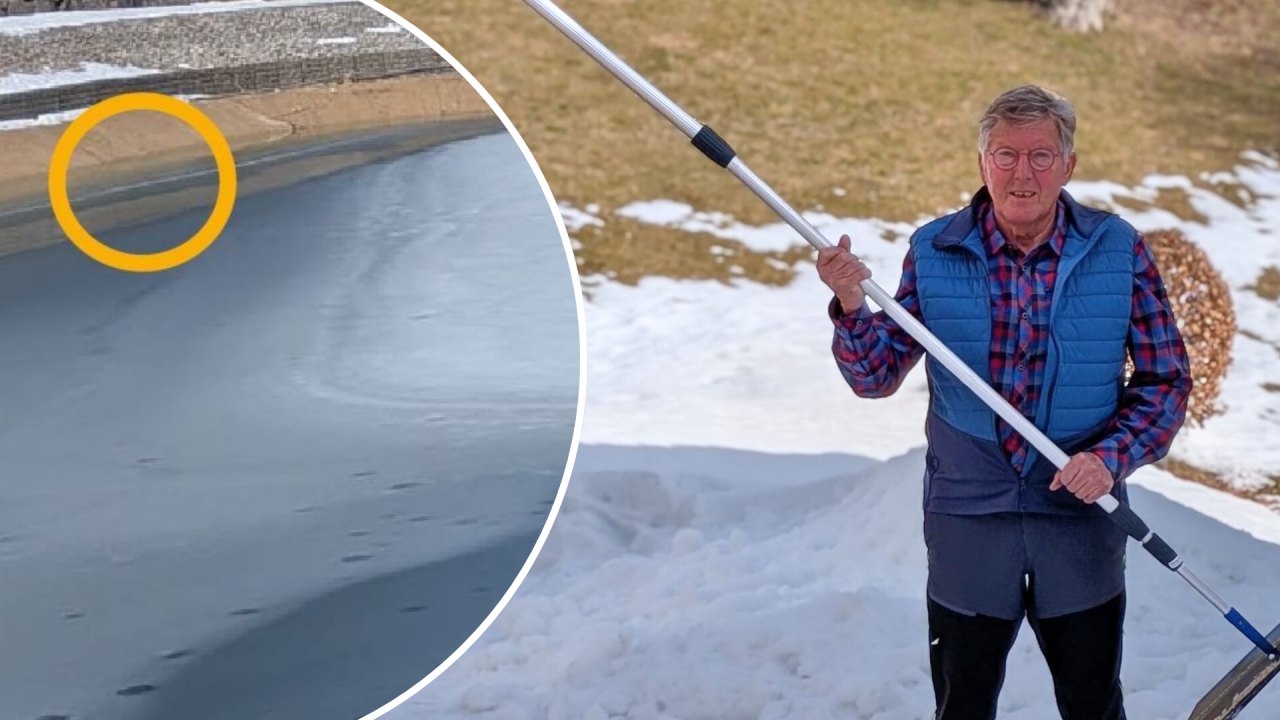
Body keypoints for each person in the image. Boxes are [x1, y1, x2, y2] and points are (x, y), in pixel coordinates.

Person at [816, 84, 1192, 720]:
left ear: (1068, 166)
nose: (1023, 174)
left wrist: (1110, 457)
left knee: (1092, 703)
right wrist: (852, 306)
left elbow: (1166, 381)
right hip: (968, 512)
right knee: (962, 702)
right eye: (1006, 155)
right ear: (982, 163)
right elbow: (874, 375)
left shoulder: (1117, 249)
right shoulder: (934, 250)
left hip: (1079, 511)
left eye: (1041, 156)